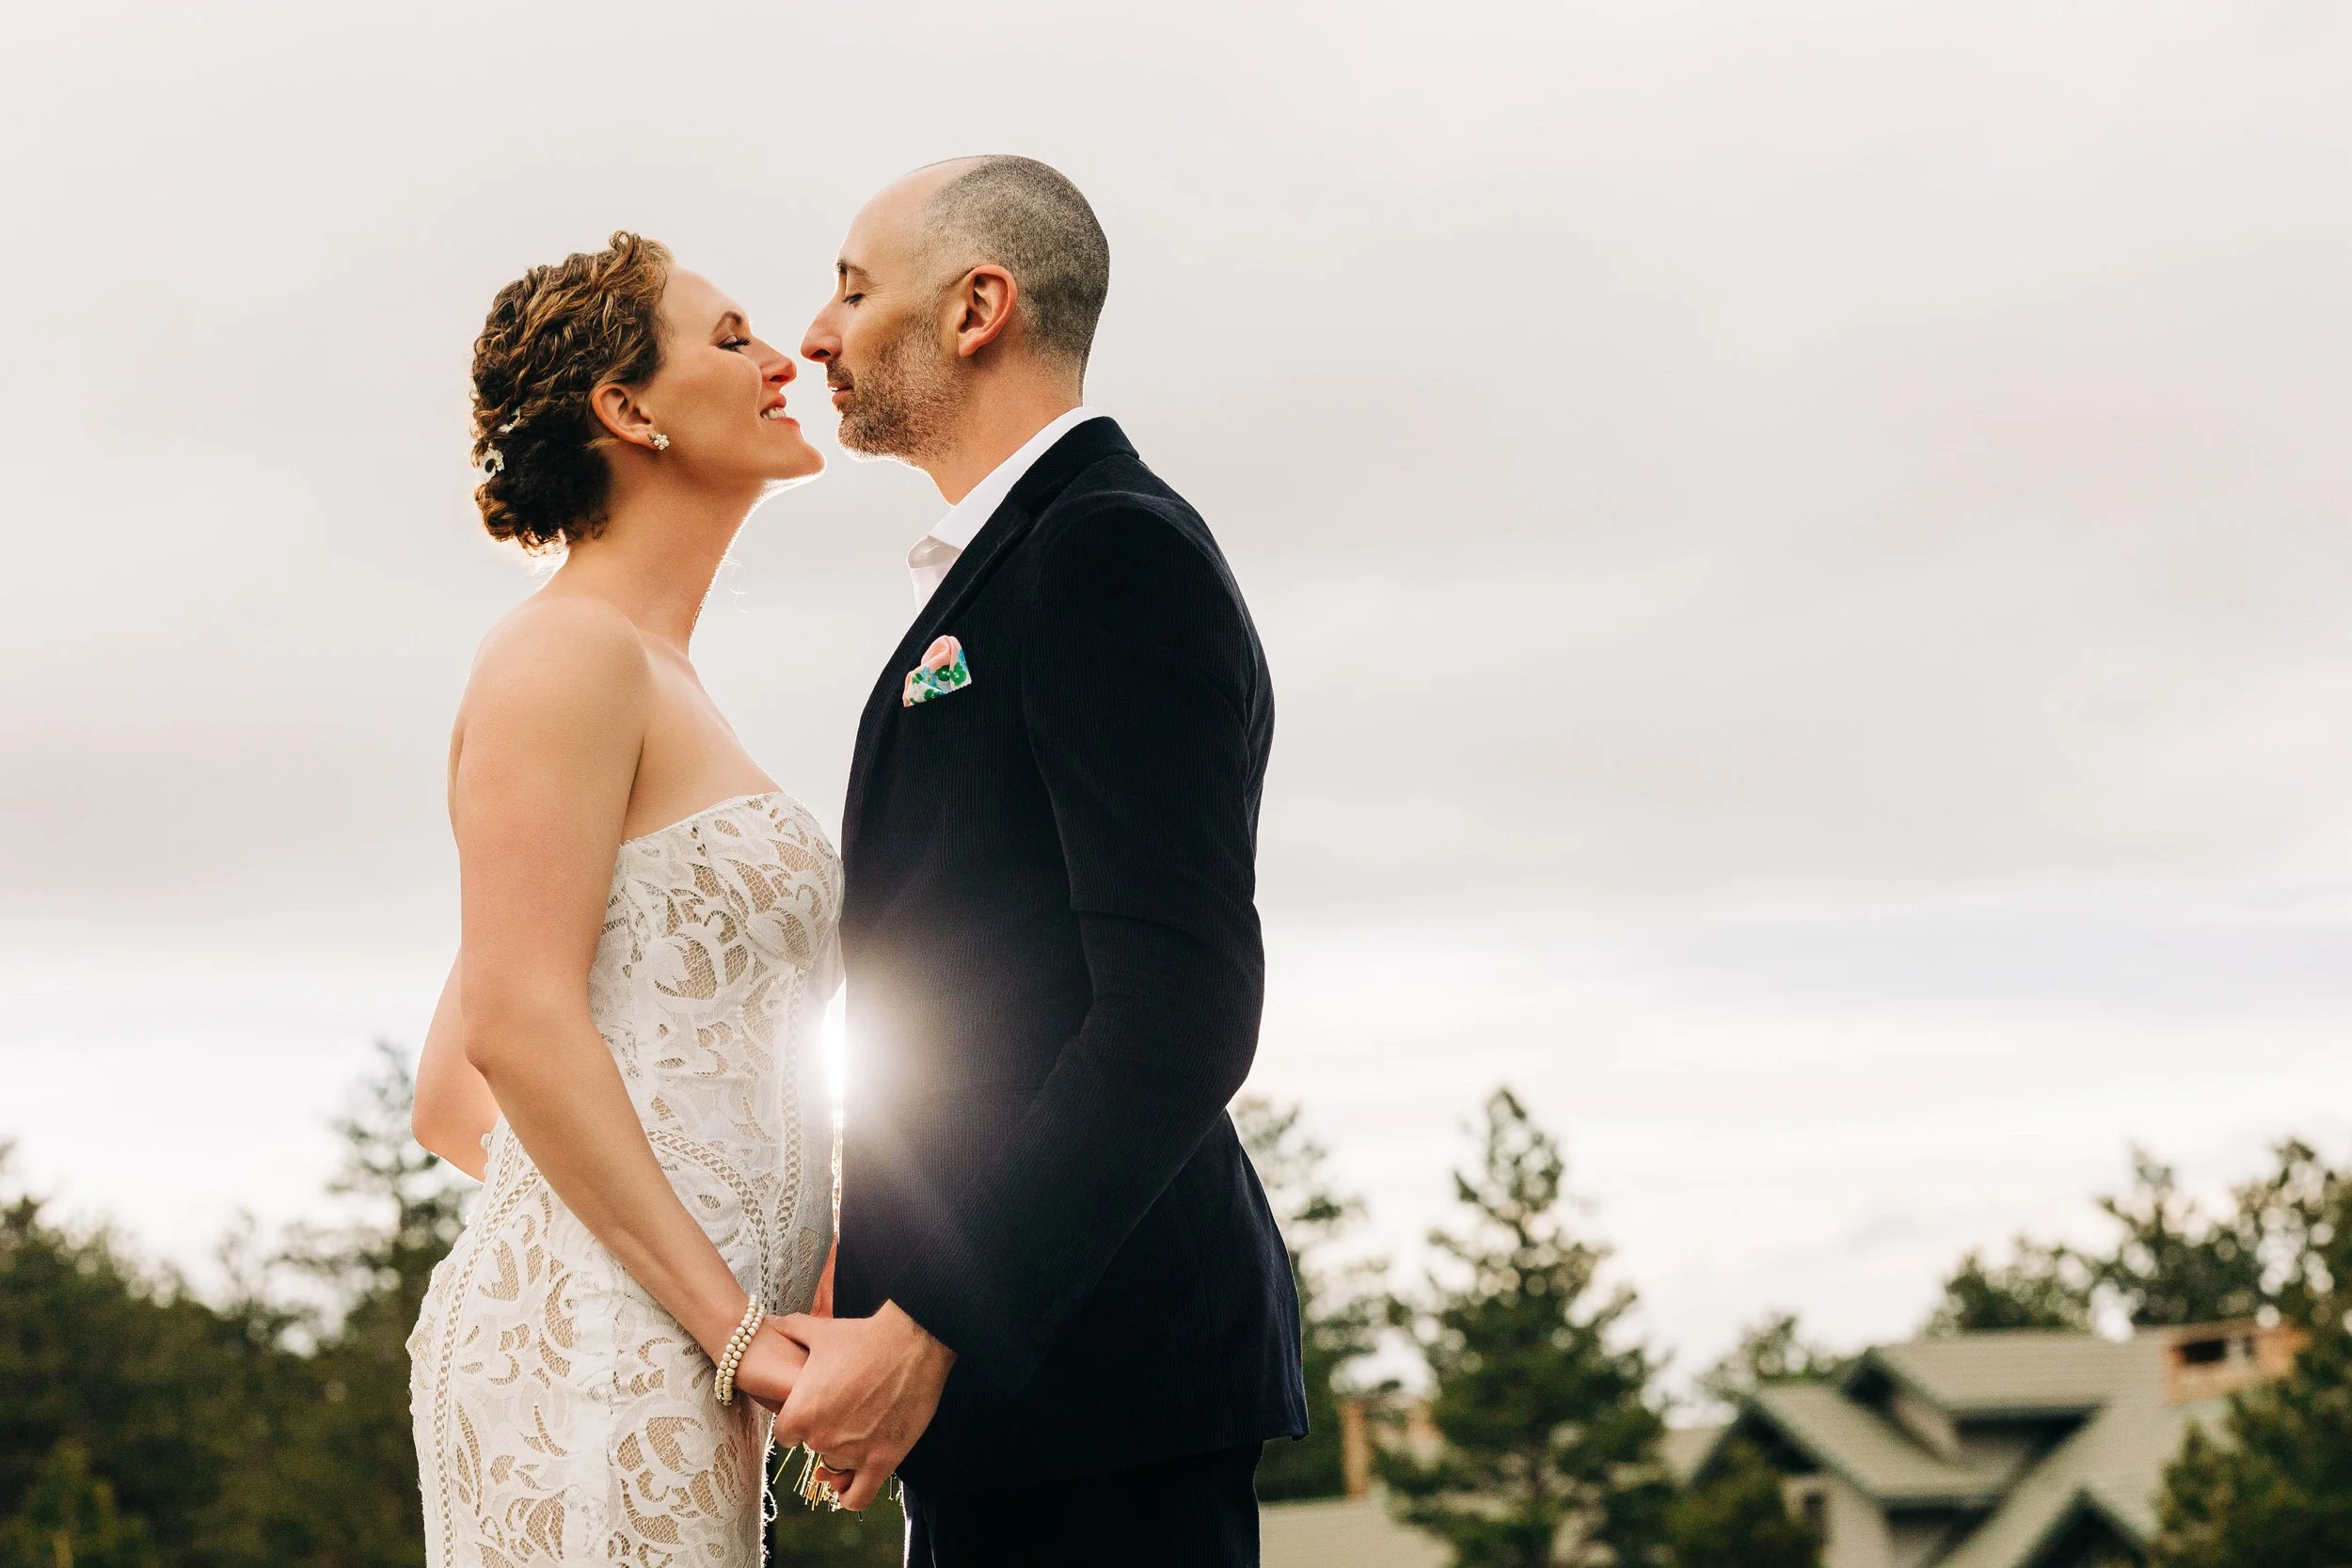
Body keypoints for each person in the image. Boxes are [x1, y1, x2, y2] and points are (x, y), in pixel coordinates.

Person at [773, 156, 1306, 1567]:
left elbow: (1178, 1010)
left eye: (849, 287)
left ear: (978, 307)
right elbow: (973, 995)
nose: (815, 335)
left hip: (1106, 1391)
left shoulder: (1108, 554)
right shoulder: (1005, 563)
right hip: (1025, 1407)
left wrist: (932, 1317)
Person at [405, 232, 838, 1566]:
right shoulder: (565, 651)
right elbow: (517, 1031)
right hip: (607, 1361)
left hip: (663, 1345)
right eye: (730, 338)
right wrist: (729, 1318)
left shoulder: (655, 674)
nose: (785, 361)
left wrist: (758, 1259)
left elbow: (446, 1083)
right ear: (627, 408)